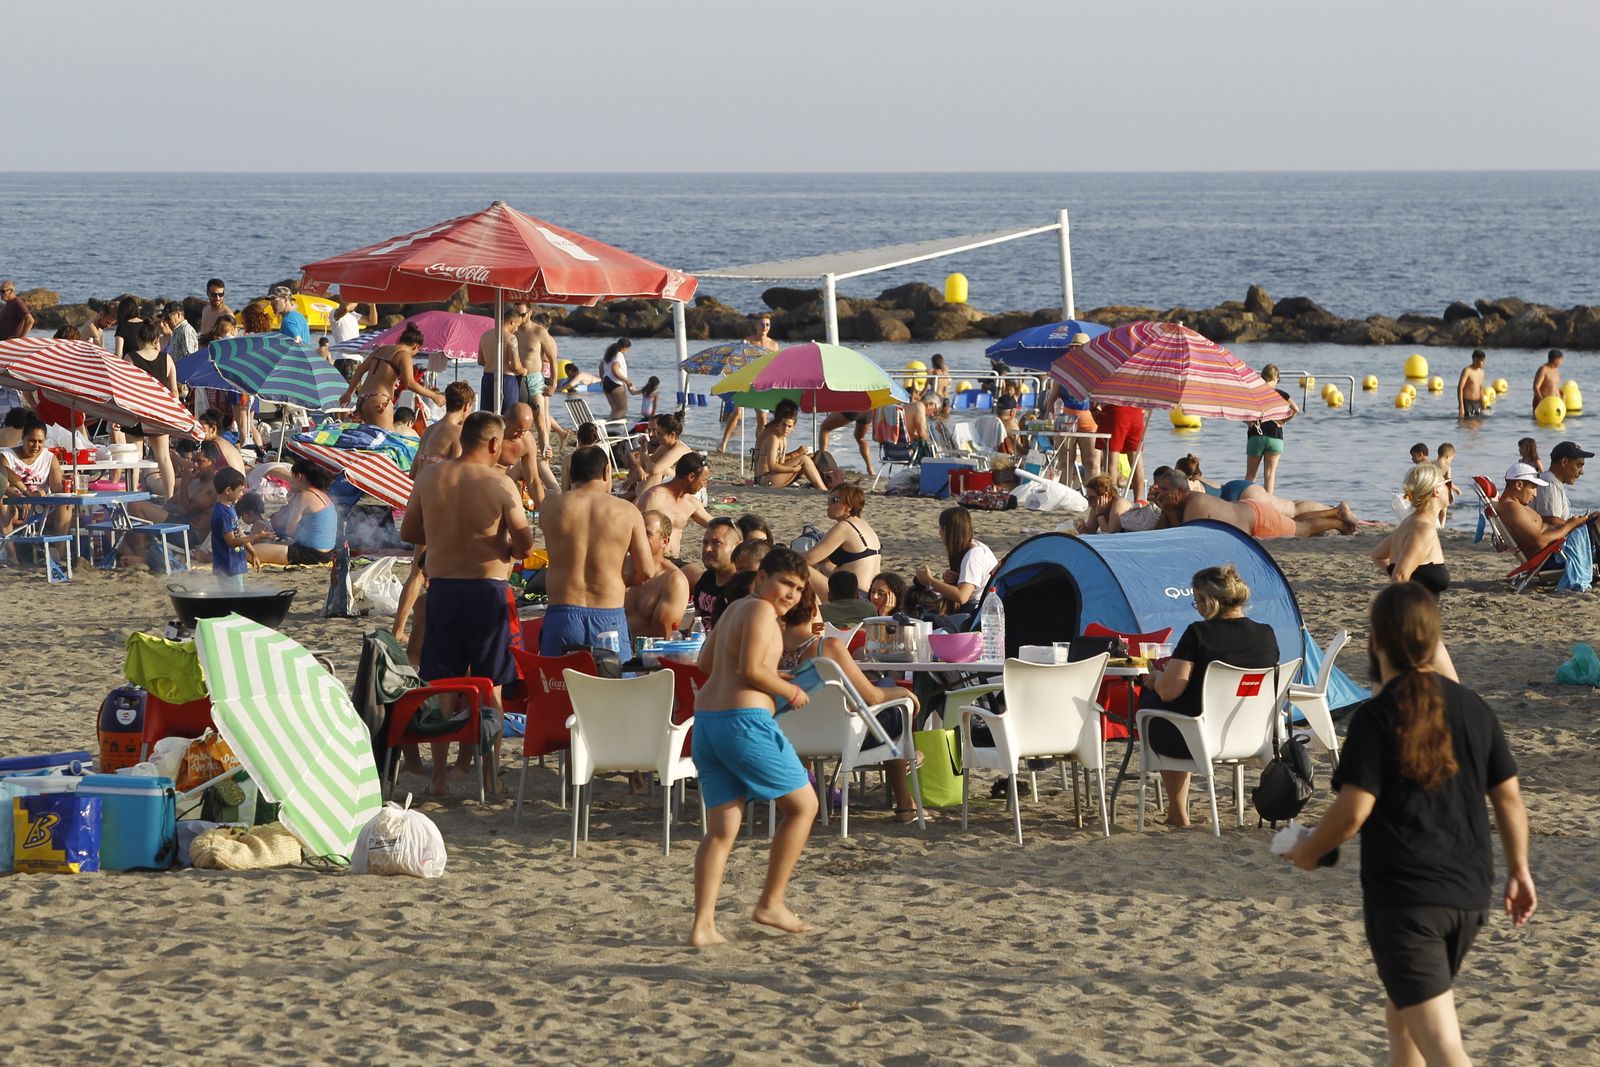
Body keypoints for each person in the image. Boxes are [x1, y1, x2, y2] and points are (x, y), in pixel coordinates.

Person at [1283, 583, 1535, 1067]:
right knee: (1403, 1016)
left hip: (1407, 903)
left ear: (1376, 640)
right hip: (1468, 897)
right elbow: (1508, 797)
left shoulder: (1377, 717)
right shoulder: (1474, 709)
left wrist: (1311, 848)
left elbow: (1355, 808)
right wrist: (1519, 869)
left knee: (1446, 1052)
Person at [687, 546, 819, 947]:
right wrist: (789, 689)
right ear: (763, 578)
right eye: (785, 583)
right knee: (804, 806)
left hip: (708, 723)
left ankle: (703, 926)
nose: (791, 595)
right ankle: (771, 902)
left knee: (723, 829)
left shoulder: (734, 610)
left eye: (798, 589)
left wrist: (766, 673)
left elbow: (707, 663)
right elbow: (749, 670)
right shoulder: (761, 610)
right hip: (743, 725)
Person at [399, 412, 535, 797]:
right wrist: (502, 547)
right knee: (489, 684)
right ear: (494, 444)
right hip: (487, 590)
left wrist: (444, 536)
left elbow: (410, 531)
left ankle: (439, 777)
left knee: (444, 684)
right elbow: (525, 546)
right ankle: (489, 776)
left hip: (442, 587)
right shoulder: (500, 484)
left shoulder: (430, 476)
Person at [1139, 564, 1280, 827]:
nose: (1198, 608)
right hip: (1254, 733)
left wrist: (1157, 678)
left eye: (1197, 601)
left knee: (1155, 706)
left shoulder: (1199, 633)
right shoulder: (1266, 634)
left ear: (1208, 602)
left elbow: (1170, 692)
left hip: (1201, 736)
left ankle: (1178, 813)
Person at [538, 444, 655, 657]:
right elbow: (647, 571)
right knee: (612, 686)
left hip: (562, 613)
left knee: (560, 687)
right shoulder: (627, 512)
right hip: (608, 615)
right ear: (606, 472)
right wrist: (622, 579)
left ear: (571, 474)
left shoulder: (550, 507)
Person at [1153, 468, 1357, 540]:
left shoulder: (1195, 503)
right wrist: (1166, 510)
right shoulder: (1182, 504)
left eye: (1164, 490)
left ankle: (1338, 522)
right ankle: (1334, 512)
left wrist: (1169, 510)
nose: (1160, 493)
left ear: (1180, 491)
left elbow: (1184, 539)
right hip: (1250, 510)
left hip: (1257, 518)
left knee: (1302, 529)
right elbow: (1160, 532)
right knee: (1294, 520)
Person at [340, 321, 443, 431]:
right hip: (379, 401)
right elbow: (410, 383)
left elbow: (360, 370)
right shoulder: (403, 355)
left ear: (400, 339)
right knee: (385, 440)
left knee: (370, 439)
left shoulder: (380, 349)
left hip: (362, 400)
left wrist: (349, 393)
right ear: (416, 346)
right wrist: (434, 395)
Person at [1371, 463, 1450, 595]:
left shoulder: (1410, 522)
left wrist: (1412, 579)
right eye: (1446, 483)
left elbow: (1377, 555)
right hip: (1413, 612)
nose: (1449, 488)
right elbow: (1399, 577)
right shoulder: (1423, 530)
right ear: (1436, 491)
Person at [123, 320, 179, 501]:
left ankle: (133, 498)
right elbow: (174, 391)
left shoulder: (130, 358)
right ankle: (169, 498)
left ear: (138, 339)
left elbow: (124, 390)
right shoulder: (166, 358)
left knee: (135, 457)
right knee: (163, 457)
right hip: (160, 412)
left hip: (137, 412)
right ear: (156, 338)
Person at [1494, 462, 1593, 562]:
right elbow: (1539, 542)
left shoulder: (1515, 505)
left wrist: (1575, 522)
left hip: (1556, 550)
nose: (1535, 494)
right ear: (1519, 485)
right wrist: (1570, 526)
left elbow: (1540, 524)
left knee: (1594, 521)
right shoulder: (1512, 509)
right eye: (1533, 487)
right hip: (1554, 556)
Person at [251, 459, 338, 566]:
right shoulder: (323, 495)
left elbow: (290, 531)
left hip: (310, 554)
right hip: (327, 553)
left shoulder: (304, 496)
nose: (291, 482)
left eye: (293, 477)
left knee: (250, 552)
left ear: (300, 476)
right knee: (280, 544)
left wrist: (291, 507)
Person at [914, 506, 998, 614]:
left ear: (944, 530)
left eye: (940, 528)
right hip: (978, 605)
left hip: (977, 610)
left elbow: (962, 596)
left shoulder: (973, 557)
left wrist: (930, 581)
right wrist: (955, 579)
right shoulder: (975, 547)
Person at [803, 482, 881, 595]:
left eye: (834, 500)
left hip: (854, 595)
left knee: (800, 567)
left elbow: (808, 559)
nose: (828, 504)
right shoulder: (864, 525)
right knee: (822, 564)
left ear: (849, 506)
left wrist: (782, 553)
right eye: (829, 499)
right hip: (869, 594)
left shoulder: (844, 527)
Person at [716, 314, 779, 454]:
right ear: (756, 325)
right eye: (762, 324)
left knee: (762, 418)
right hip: (747, 381)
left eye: (767, 324)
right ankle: (724, 443)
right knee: (737, 411)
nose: (764, 327)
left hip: (764, 383)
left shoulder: (773, 345)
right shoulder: (748, 341)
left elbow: (776, 365)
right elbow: (737, 360)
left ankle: (759, 447)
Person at [0, 414, 72, 535]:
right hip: (15, 505)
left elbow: (56, 488)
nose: (36, 446)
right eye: (32, 441)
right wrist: (25, 494)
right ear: (23, 438)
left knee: (66, 503)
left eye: (40, 441)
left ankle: (59, 552)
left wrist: (68, 487)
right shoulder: (7, 456)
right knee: (3, 500)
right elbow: (4, 479)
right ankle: (11, 551)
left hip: (42, 507)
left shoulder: (49, 458)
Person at [625, 510, 690, 639]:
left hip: (645, 653)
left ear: (664, 542)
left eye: (647, 534)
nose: (638, 538)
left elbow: (662, 634)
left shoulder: (673, 580)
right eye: (637, 533)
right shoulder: (619, 566)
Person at [636, 451, 712, 559]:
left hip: (674, 561)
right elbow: (636, 530)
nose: (705, 484)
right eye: (704, 480)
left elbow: (714, 524)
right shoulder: (654, 497)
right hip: (651, 560)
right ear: (691, 477)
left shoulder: (691, 503)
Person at [512, 306, 559, 457]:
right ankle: (518, 452)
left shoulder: (539, 332)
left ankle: (545, 453)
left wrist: (553, 384)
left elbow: (553, 359)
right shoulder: (512, 330)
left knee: (540, 420)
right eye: (516, 313)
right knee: (515, 417)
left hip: (534, 379)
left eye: (522, 314)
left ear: (530, 313)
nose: (519, 317)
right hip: (515, 378)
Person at [210, 467, 266, 590]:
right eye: (240, 491)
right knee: (233, 599)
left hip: (234, 562)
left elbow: (239, 533)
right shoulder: (222, 513)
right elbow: (231, 542)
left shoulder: (230, 509)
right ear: (228, 490)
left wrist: (253, 553)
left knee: (236, 595)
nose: (241, 495)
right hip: (227, 565)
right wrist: (256, 536)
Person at [1245, 363, 1297, 494]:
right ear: (1275, 378)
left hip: (1256, 436)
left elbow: (1244, 412)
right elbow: (1295, 409)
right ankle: (1268, 506)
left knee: (1251, 476)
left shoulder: (1253, 394)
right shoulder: (1282, 394)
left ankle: (1246, 503)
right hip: (1275, 438)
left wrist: (1248, 422)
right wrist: (1283, 421)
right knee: (1269, 475)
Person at [755, 400, 827, 489]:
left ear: (794, 427)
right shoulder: (773, 438)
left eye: (789, 426)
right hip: (764, 479)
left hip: (772, 476)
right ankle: (823, 490)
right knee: (804, 459)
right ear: (778, 424)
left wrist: (797, 454)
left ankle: (822, 485)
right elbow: (773, 466)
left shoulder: (784, 439)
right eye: (784, 425)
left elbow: (780, 463)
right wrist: (793, 469)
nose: (786, 429)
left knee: (808, 457)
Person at [620, 412, 690, 501]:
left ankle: (638, 502)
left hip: (688, 487)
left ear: (672, 435)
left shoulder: (678, 449)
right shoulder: (664, 446)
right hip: (674, 482)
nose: (656, 436)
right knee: (651, 473)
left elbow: (653, 470)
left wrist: (645, 454)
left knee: (659, 470)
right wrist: (643, 448)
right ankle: (636, 500)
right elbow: (645, 465)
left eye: (660, 434)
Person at [690, 517, 742, 629]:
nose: (708, 549)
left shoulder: (741, 588)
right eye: (705, 543)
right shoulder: (706, 579)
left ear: (737, 547)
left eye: (716, 542)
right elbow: (696, 625)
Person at [415, 381, 476, 468]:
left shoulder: (428, 431)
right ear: (467, 406)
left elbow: (412, 474)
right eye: (471, 407)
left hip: (419, 480)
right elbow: (457, 471)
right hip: (437, 481)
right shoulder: (459, 433)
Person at [1095, 400, 1148, 500]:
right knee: (1136, 460)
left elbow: (1097, 397)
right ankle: (1138, 500)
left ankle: (1111, 499)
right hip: (1137, 412)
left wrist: (1093, 408)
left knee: (1112, 461)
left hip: (1115, 410)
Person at [478, 305, 526, 415]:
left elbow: (480, 361)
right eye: (517, 325)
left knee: (487, 417)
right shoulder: (511, 338)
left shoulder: (484, 336)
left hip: (487, 378)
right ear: (512, 321)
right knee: (508, 417)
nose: (517, 329)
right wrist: (524, 371)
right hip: (506, 380)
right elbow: (516, 367)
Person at [1532, 440, 1592, 524]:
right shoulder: (1549, 483)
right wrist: (1579, 524)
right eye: (1579, 465)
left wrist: (1585, 520)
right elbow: (1552, 523)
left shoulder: (1552, 481)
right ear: (1564, 462)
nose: (1582, 472)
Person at [599, 338, 636, 421]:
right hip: (616, 384)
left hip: (606, 384)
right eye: (628, 348)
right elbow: (614, 369)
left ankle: (610, 428)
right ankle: (610, 423)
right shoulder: (619, 355)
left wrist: (602, 379)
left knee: (614, 408)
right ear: (624, 348)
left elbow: (601, 367)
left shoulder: (608, 354)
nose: (628, 350)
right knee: (623, 409)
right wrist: (627, 380)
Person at [1457, 350, 1487, 419]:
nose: (1484, 363)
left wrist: (1483, 406)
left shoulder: (1482, 373)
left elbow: (1481, 390)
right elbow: (1460, 388)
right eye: (1482, 361)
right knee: (1467, 424)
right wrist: (1461, 406)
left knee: (1478, 425)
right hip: (1467, 403)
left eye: (1484, 361)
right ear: (1475, 359)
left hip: (1477, 403)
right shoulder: (1467, 371)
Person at [1532, 349, 1563, 415]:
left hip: (1555, 406)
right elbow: (1536, 387)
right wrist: (1542, 401)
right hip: (1544, 406)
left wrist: (1562, 394)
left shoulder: (1556, 371)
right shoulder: (1543, 370)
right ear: (1556, 360)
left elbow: (1553, 386)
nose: (1561, 362)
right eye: (1561, 360)